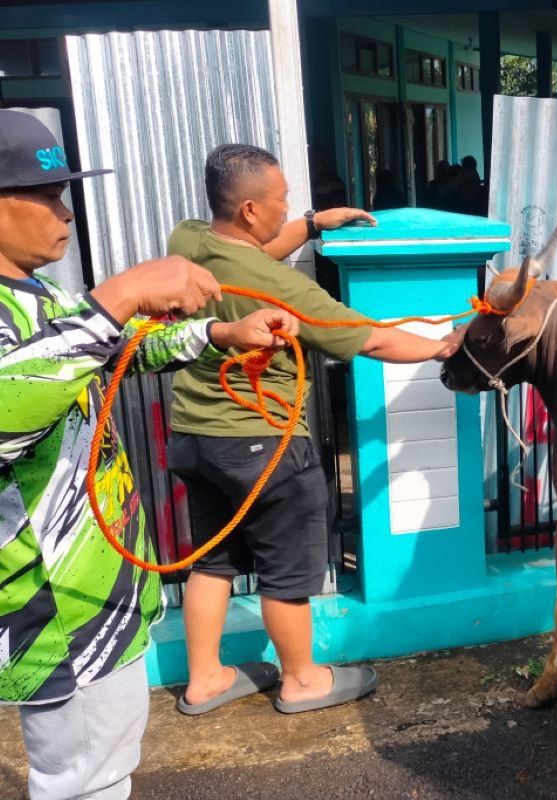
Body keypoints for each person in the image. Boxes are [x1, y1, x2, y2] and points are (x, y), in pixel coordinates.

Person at [0, 111, 297, 800]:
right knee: (82, 783)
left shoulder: (38, 296)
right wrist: (122, 293)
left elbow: (110, 349)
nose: (64, 212)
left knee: (105, 773)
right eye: (45, 195)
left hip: (100, 597)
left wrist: (221, 331)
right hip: (52, 611)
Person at [166, 143, 465, 716]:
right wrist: (443, 345)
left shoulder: (190, 241)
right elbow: (371, 337)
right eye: (282, 201)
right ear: (250, 209)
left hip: (196, 437)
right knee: (287, 570)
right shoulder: (285, 290)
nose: (289, 209)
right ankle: (302, 680)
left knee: (213, 560)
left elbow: (251, 254)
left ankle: (204, 679)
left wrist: (310, 225)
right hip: (263, 443)